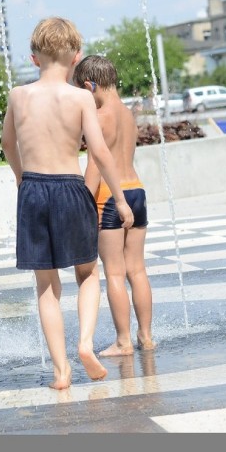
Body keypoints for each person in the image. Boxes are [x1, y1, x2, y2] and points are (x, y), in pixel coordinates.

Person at [0, 17, 134, 390]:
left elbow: (8, 145)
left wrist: (20, 176)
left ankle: (61, 370)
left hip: (34, 189)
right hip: (71, 188)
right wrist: (120, 200)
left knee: (46, 285)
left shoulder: (17, 95)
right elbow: (101, 152)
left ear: (33, 58)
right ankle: (86, 344)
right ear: (76, 57)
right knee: (88, 273)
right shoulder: (79, 97)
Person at [73, 55, 155, 356]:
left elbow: (96, 166)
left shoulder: (100, 117)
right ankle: (146, 336)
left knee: (115, 273)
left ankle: (123, 341)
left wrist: (80, 205)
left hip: (109, 195)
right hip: (137, 190)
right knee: (138, 270)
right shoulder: (127, 114)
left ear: (89, 85)